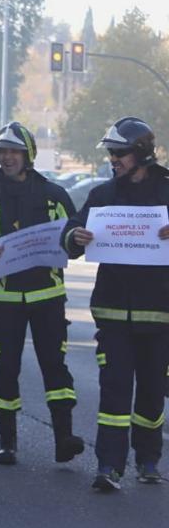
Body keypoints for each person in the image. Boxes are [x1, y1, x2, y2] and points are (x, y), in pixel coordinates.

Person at [0, 122, 83, 467]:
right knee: (5, 370)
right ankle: (8, 443)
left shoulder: (53, 195)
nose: (7, 158)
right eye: (2, 152)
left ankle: (64, 438)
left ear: (28, 155)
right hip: (5, 304)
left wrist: (74, 242)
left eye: (14, 151)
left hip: (48, 298)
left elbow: (72, 238)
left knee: (55, 369)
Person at [62, 116, 169, 491]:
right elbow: (71, 236)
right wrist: (74, 235)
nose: (113, 160)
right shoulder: (103, 195)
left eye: (119, 153)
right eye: (111, 153)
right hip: (113, 315)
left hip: (160, 317)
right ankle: (108, 465)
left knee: (154, 392)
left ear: (141, 153)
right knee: (115, 390)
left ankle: (148, 457)